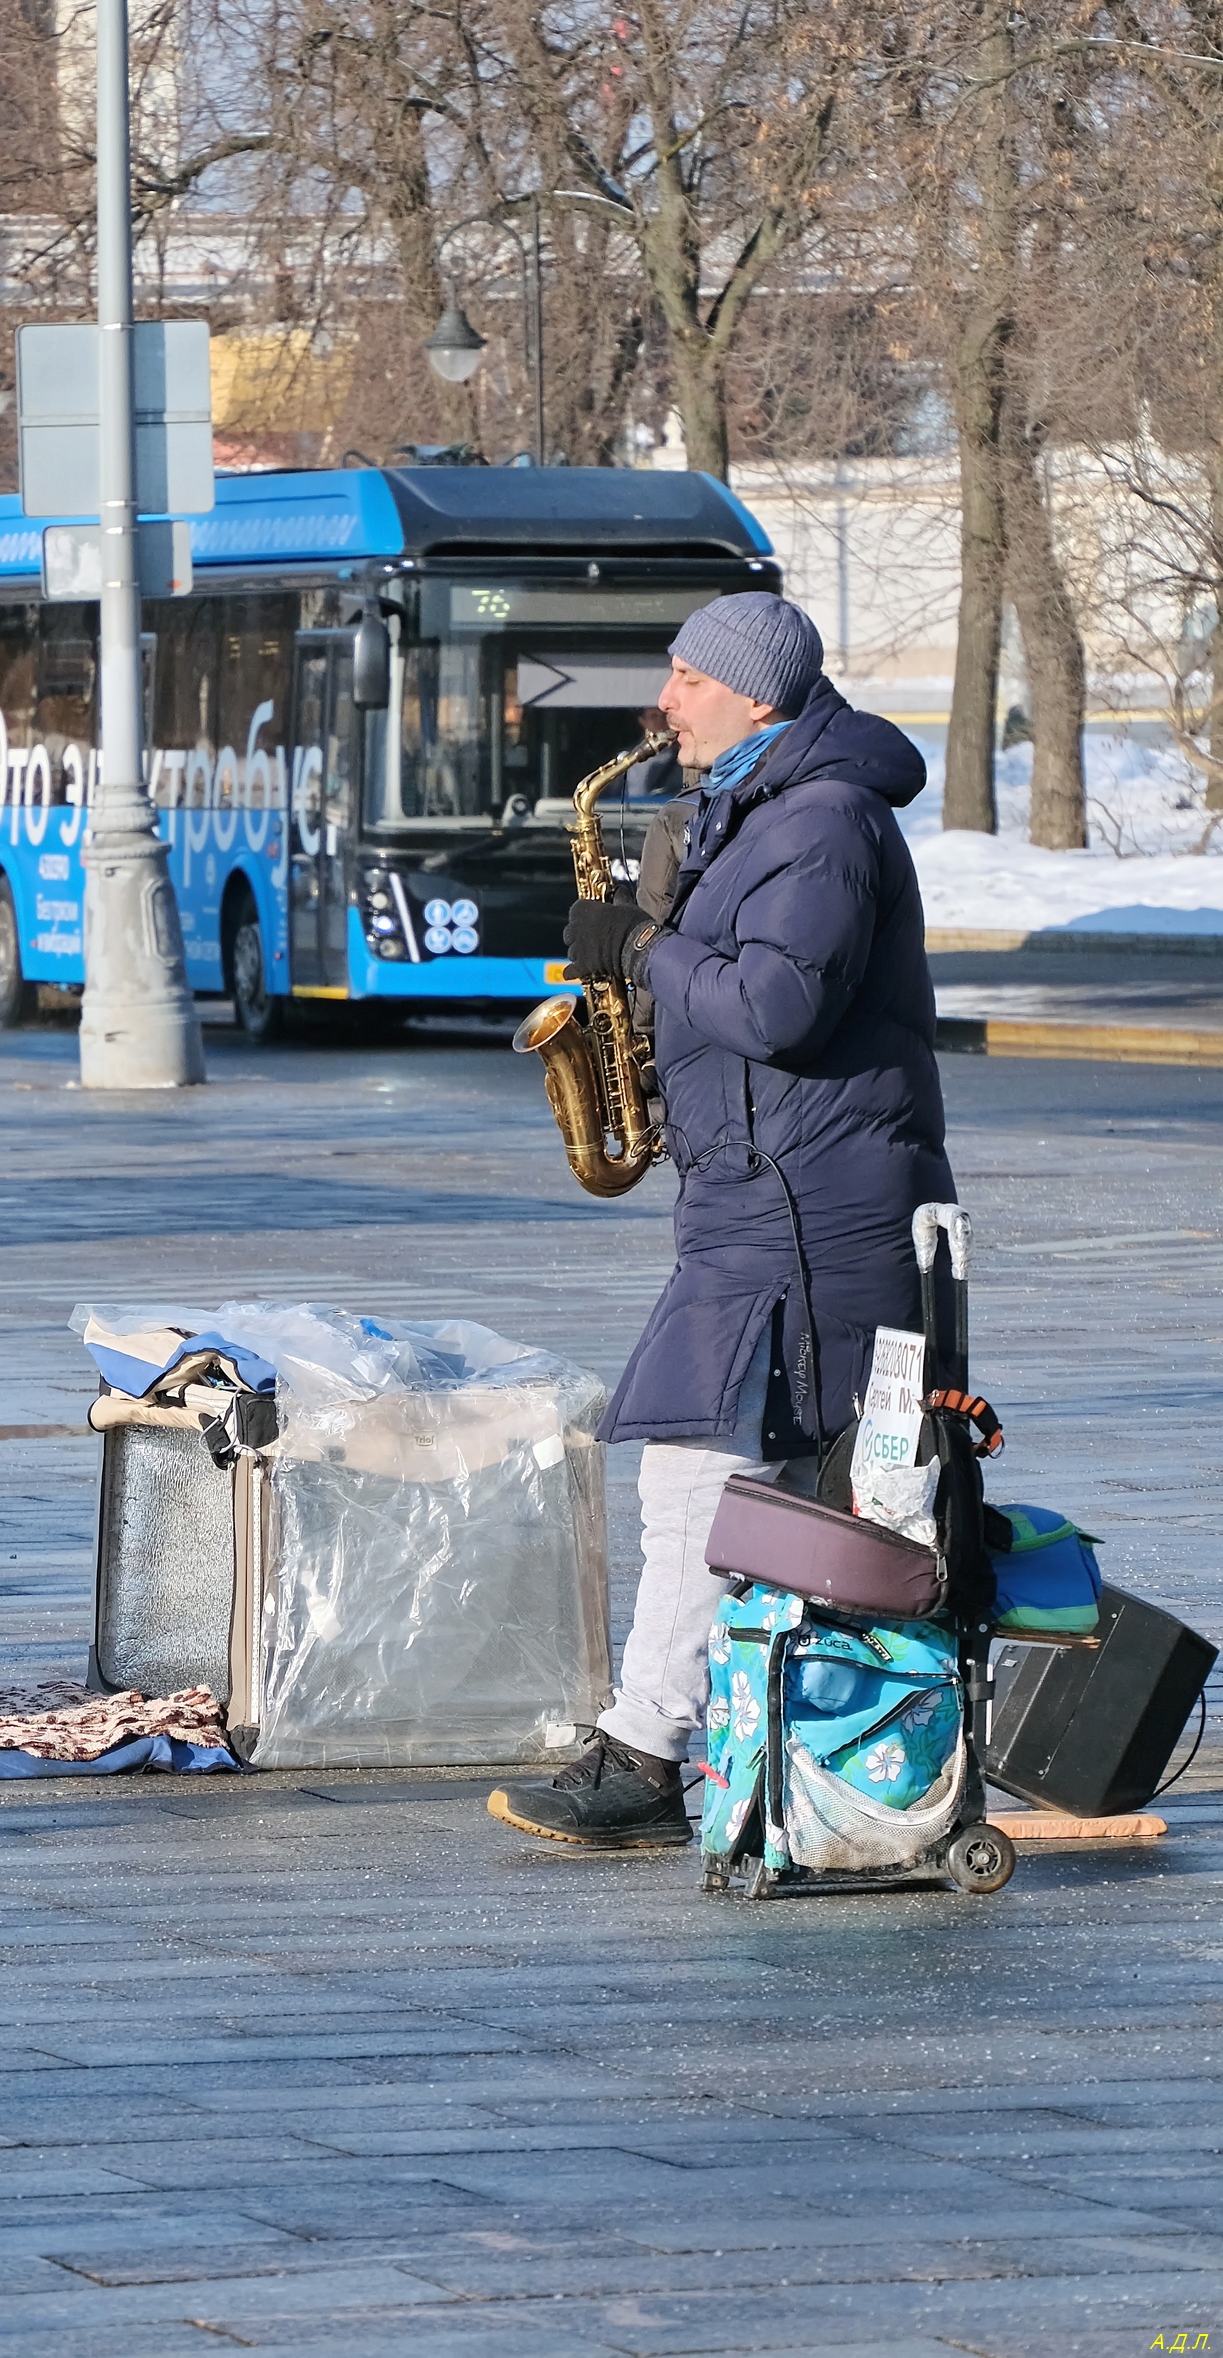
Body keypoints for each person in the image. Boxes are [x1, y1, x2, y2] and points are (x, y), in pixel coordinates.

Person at [490, 592, 953, 1849]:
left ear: (755, 694)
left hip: (809, 1207)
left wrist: (646, 953)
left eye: (687, 678)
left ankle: (647, 1748)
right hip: (764, 1192)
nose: (666, 700)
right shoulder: (748, 808)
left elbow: (778, 1009)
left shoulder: (828, 820)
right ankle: (792, 1743)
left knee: (699, 1476)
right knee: (796, 1487)